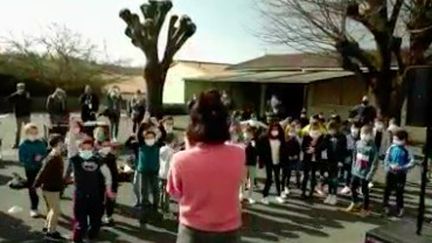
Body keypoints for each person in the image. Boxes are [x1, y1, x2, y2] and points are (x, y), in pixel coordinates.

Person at [167, 90, 245, 243]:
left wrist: (190, 147)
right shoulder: (239, 153)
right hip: (229, 231)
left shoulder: (180, 159)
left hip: (192, 231)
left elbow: (175, 192)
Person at [68, 138, 114, 243]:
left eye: (89, 148)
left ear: (93, 148)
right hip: (81, 196)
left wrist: (108, 189)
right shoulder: (76, 159)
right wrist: (72, 132)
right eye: (84, 148)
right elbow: (70, 147)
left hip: (95, 195)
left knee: (96, 221)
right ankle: (77, 240)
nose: (86, 150)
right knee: (81, 223)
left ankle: (92, 236)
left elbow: (107, 174)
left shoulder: (97, 159)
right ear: (80, 148)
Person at [33, 134, 65, 241]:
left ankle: (47, 227)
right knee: (55, 210)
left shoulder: (54, 155)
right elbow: (43, 171)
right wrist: (35, 184)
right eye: (61, 142)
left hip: (51, 186)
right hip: (51, 187)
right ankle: (51, 232)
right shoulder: (53, 157)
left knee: (51, 209)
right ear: (58, 143)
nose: (63, 144)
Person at [346, 125, 378, 217]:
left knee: (364, 192)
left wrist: (370, 175)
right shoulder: (358, 143)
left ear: (371, 135)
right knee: (352, 187)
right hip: (356, 171)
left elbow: (375, 163)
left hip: (365, 174)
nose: (363, 136)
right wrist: (353, 168)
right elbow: (354, 156)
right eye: (362, 134)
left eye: (366, 134)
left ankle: (365, 209)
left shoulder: (373, 147)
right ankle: (354, 202)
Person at [382, 129, 415, 218]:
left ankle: (400, 208)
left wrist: (402, 167)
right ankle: (385, 205)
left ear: (403, 139)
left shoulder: (407, 149)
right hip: (390, 172)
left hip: (401, 174)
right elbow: (386, 159)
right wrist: (389, 166)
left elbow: (412, 162)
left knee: (399, 192)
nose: (395, 141)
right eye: (394, 139)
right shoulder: (392, 147)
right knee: (387, 189)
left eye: (397, 139)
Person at [19, 123, 48, 217]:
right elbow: (22, 159)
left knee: (46, 189)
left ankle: (51, 207)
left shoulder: (40, 143)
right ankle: (34, 208)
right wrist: (31, 159)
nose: (33, 135)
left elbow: (45, 153)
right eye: (31, 133)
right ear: (26, 133)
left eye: (35, 133)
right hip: (30, 169)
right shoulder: (23, 145)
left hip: (41, 168)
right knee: (32, 189)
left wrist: (42, 157)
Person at [94, 127, 119, 226]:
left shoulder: (110, 152)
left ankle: (108, 216)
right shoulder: (94, 152)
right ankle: (98, 217)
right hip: (99, 179)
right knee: (99, 199)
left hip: (111, 179)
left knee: (110, 199)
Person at [258, 123, 287, 204]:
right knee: (269, 179)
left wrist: (284, 161)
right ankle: (264, 196)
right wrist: (261, 162)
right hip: (268, 161)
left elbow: (284, 151)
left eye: (276, 129)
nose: (275, 131)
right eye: (273, 129)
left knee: (277, 178)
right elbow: (261, 151)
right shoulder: (264, 138)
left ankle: (278, 195)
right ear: (270, 130)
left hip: (277, 161)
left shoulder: (281, 139)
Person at [137, 128, 161, 224]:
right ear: (144, 138)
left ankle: (155, 211)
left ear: (155, 138)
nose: (149, 139)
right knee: (144, 192)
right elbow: (139, 134)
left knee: (156, 191)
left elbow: (163, 133)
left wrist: (158, 125)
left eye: (152, 137)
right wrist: (143, 123)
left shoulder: (157, 145)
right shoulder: (141, 145)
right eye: (147, 137)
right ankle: (144, 214)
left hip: (154, 172)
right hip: (144, 172)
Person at [323, 121, 347, 205]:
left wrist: (341, 161)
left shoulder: (342, 137)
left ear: (335, 129)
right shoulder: (327, 136)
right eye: (329, 130)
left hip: (337, 161)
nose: (330, 131)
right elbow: (323, 146)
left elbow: (344, 150)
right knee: (329, 178)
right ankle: (329, 194)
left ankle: (334, 195)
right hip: (329, 160)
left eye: (331, 130)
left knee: (335, 179)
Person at [301, 122, 325, 199]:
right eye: (313, 128)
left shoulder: (321, 137)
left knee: (314, 176)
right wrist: (308, 150)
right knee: (305, 175)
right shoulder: (306, 136)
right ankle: (303, 192)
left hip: (316, 159)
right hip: (307, 158)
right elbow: (303, 147)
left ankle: (311, 192)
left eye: (316, 128)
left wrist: (315, 149)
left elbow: (323, 147)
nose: (315, 130)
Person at [9, 82, 32, 148]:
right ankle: (16, 143)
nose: (21, 89)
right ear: (17, 88)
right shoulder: (15, 95)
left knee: (29, 129)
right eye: (19, 88)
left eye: (22, 88)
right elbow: (10, 100)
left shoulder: (26, 95)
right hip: (18, 115)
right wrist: (15, 94)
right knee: (18, 130)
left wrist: (28, 98)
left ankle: (30, 142)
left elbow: (30, 103)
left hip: (26, 114)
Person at [159, 133, 177, 218]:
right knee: (167, 194)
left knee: (162, 192)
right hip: (168, 175)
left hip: (161, 173)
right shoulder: (172, 151)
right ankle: (166, 210)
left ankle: (161, 208)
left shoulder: (162, 149)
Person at [340, 122, 361, 195]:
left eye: (356, 128)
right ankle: (347, 186)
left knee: (357, 174)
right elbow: (343, 148)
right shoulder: (347, 137)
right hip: (349, 157)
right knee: (348, 172)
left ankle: (357, 187)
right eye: (353, 128)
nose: (355, 130)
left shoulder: (361, 138)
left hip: (358, 159)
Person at [282, 124, 301, 198]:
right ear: (287, 131)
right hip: (285, 159)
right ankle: (282, 189)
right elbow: (283, 150)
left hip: (292, 159)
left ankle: (287, 186)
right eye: (290, 131)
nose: (292, 132)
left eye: (293, 131)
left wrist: (296, 155)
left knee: (289, 174)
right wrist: (288, 156)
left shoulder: (295, 140)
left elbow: (298, 149)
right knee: (284, 174)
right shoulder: (284, 140)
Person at [243, 126, 258, 204]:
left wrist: (253, 145)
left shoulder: (254, 142)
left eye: (249, 133)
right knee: (242, 181)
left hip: (252, 163)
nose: (248, 135)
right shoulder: (242, 142)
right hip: (244, 163)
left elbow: (256, 152)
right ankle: (241, 195)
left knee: (251, 181)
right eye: (246, 133)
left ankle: (250, 197)